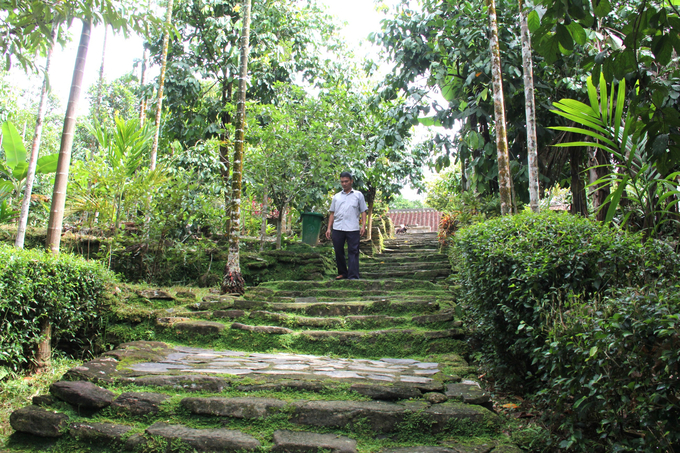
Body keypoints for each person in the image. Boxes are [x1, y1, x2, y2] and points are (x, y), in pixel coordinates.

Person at [325, 172, 367, 280]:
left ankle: (353, 275)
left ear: (351, 181)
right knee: (338, 250)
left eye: (346, 181)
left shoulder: (358, 195)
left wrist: (363, 226)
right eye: (342, 181)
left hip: (353, 228)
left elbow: (363, 211)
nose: (344, 184)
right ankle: (343, 273)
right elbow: (332, 213)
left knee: (353, 251)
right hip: (338, 228)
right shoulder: (336, 197)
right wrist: (329, 228)